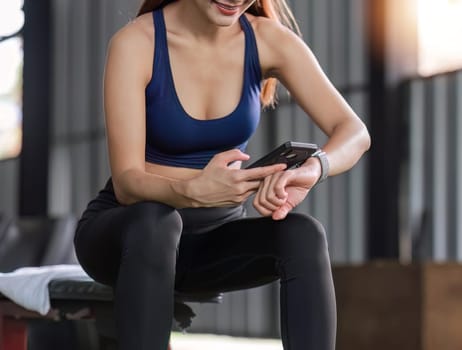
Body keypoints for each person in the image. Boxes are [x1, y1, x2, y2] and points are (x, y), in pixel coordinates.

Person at [72, 0, 371, 349]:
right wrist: (192, 190)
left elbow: (354, 131)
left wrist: (314, 167)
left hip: (211, 240)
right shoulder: (137, 43)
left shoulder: (266, 39)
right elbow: (127, 183)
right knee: (158, 222)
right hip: (129, 235)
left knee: (304, 234)